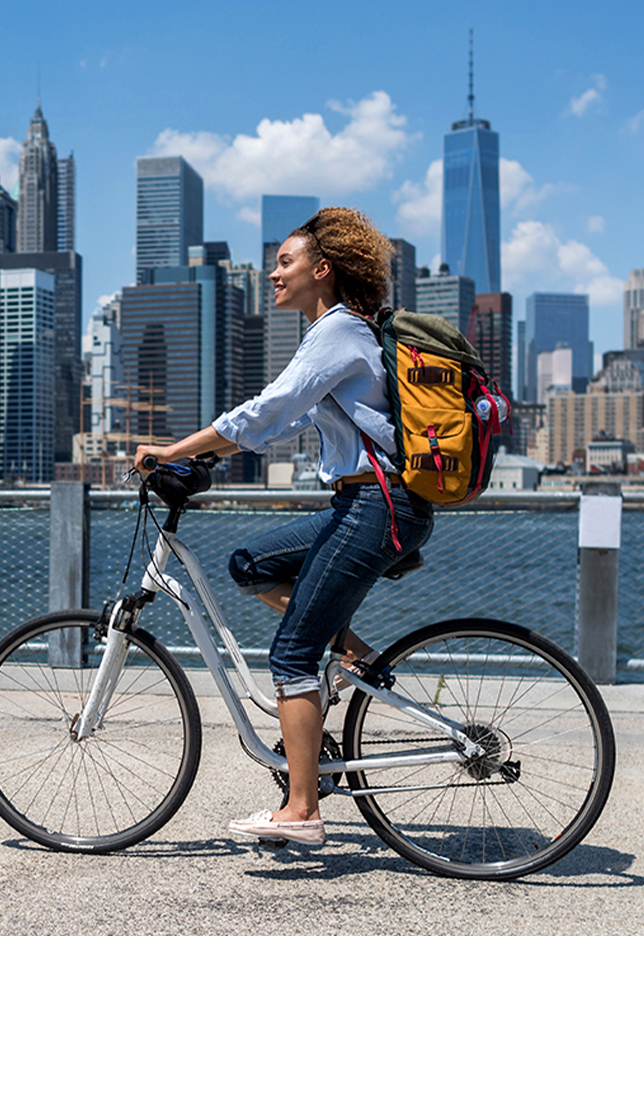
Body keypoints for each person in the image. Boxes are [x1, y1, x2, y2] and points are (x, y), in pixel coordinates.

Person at [135, 206, 434, 847]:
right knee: (252, 564)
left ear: (321, 270)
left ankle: (302, 812)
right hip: (365, 504)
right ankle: (350, 649)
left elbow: (267, 408)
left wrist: (173, 451)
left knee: (292, 654)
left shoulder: (338, 331)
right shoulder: (334, 332)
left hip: (377, 507)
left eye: (285, 263)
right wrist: (207, 452)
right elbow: (288, 421)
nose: (273, 274)